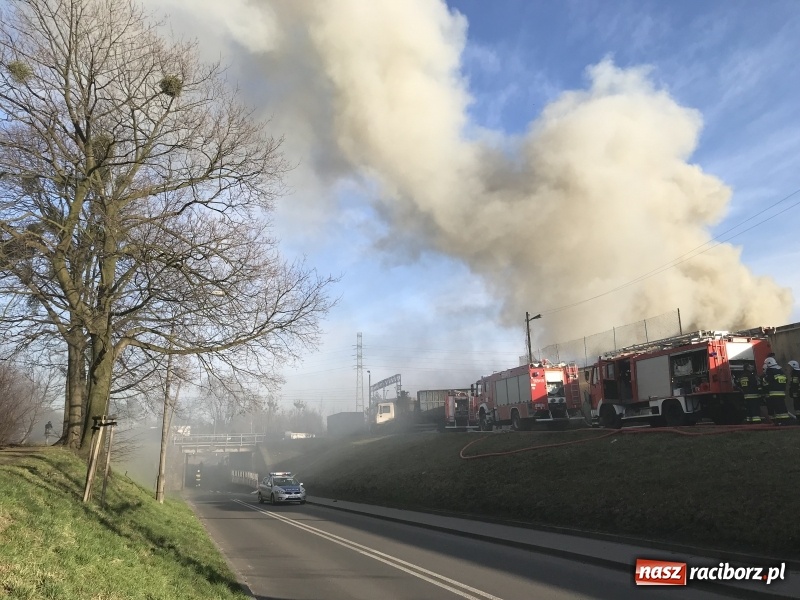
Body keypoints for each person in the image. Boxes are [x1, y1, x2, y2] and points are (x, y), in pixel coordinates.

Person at [760, 357, 791, 424]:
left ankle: (779, 421)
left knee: (777, 408)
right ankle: (785, 421)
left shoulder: (770, 371)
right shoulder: (780, 371)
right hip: (782, 392)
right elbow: (785, 380)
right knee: (782, 406)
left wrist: (763, 380)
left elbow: (768, 380)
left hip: (774, 393)